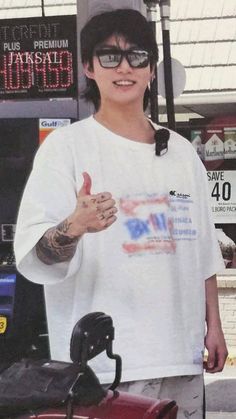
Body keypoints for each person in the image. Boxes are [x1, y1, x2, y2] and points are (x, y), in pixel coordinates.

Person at [14, 8, 228, 419]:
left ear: (152, 70)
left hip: (182, 357)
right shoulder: (66, 148)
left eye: (137, 56)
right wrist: (74, 227)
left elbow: (202, 247)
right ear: (89, 68)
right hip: (104, 366)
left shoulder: (183, 154)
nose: (124, 67)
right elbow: (35, 256)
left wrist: (213, 326)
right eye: (109, 56)